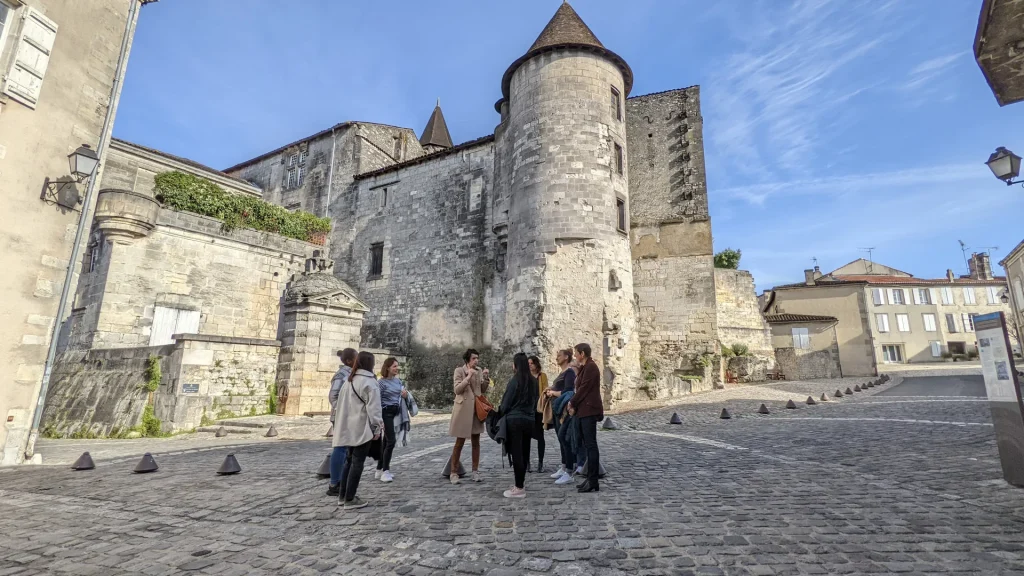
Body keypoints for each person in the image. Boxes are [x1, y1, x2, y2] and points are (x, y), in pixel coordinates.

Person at [334, 351, 383, 509]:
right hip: (362, 427)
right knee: (357, 463)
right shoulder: (369, 382)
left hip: (348, 426)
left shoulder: (350, 380)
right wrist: (377, 428)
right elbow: (374, 410)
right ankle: (350, 497)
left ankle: (343, 495)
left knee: (349, 460)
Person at [500, 352, 539, 498]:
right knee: (524, 452)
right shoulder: (534, 381)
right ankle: (520, 482)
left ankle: (519, 487)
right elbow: (536, 400)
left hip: (515, 420)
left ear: (515, 365)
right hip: (529, 420)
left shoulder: (514, 381)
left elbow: (506, 403)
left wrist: (500, 413)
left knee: (516, 453)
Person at [448, 349, 489, 484]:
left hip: (476, 410)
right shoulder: (459, 371)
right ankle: (453, 472)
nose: (476, 361)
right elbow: (457, 390)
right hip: (463, 410)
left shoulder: (478, 370)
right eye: (473, 358)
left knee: (476, 442)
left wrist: (485, 378)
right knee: (459, 442)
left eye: (477, 358)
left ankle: (475, 471)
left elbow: (481, 390)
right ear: (467, 360)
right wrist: (467, 377)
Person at [568, 343, 602, 493]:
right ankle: (590, 479)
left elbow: (584, 388)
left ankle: (593, 479)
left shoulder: (591, 367)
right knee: (588, 445)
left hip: (589, 410)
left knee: (591, 445)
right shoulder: (585, 367)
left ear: (582, 353)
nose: (575, 356)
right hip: (583, 411)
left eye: (576, 353)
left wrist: (572, 402)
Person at [327, 348, 357, 497]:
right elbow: (333, 396)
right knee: (340, 448)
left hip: (350, 416)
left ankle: (341, 479)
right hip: (341, 416)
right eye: (356, 358)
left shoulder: (353, 374)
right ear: (349, 361)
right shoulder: (341, 375)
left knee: (347, 449)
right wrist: (344, 410)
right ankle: (334, 482)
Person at [546, 348, 577, 485]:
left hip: (564, 410)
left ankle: (569, 470)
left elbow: (568, 391)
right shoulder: (563, 373)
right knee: (560, 438)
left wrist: (553, 393)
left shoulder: (569, 372)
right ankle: (564, 467)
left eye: (559, 355)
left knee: (565, 438)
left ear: (566, 357)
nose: (556, 358)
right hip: (557, 410)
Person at [375, 357, 408, 483]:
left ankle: (379, 469)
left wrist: (404, 395)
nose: (397, 368)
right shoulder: (381, 383)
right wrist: (379, 419)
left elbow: (401, 395)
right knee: (391, 441)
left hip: (396, 412)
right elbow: (377, 400)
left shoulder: (398, 381)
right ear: (388, 368)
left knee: (385, 441)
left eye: (397, 366)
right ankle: (385, 471)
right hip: (385, 412)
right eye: (394, 366)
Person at [527, 355, 548, 473]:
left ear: (536, 364)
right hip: (528, 410)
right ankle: (527, 463)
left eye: (532, 363)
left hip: (539, 409)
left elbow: (545, 390)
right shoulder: (526, 376)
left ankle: (540, 462)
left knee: (540, 436)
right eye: (528, 363)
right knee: (527, 437)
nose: (530, 365)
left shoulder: (542, 376)